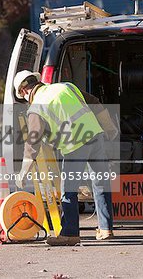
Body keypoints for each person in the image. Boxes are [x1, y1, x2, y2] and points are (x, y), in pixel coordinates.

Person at [13, 70, 114, 246]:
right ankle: (106, 229)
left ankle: (69, 233)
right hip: (96, 136)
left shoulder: (36, 107)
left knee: (69, 190)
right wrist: (109, 127)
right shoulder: (66, 87)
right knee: (101, 183)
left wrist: (23, 171)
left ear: (24, 91)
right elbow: (94, 103)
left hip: (75, 145)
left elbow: (33, 142)